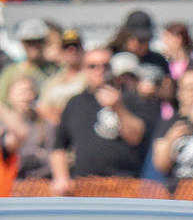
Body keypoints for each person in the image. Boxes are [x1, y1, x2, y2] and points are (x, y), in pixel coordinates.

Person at [49, 49, 154, 188]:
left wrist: (118, 107)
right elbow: (59, 147)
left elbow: (135, 137)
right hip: (85, 187)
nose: (100, 70)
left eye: (106, 65)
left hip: (125, 186)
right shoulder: (75, 103)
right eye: (93, 66)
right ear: (84, 70)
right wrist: (61, 177)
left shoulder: (132, 99)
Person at [148, 68, 193, 188]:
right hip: (177, 191)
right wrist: (170, 140)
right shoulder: (168, 123)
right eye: (190, 88)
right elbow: (160, 165)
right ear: (180, 93)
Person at [5, 74, 55, 180]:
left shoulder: (45, 125)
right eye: (20, 92)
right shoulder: (1, 126)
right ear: (9, 96)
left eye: (29, 91)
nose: (25, 97)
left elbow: (53, 158)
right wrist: (35, 155)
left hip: (40, 183)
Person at [0, 19, 55, 106]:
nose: (34, 46)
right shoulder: (9, 72)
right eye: (29, 42)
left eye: (38, 41)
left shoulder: (55, 70)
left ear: (45, 42)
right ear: (22, 43)